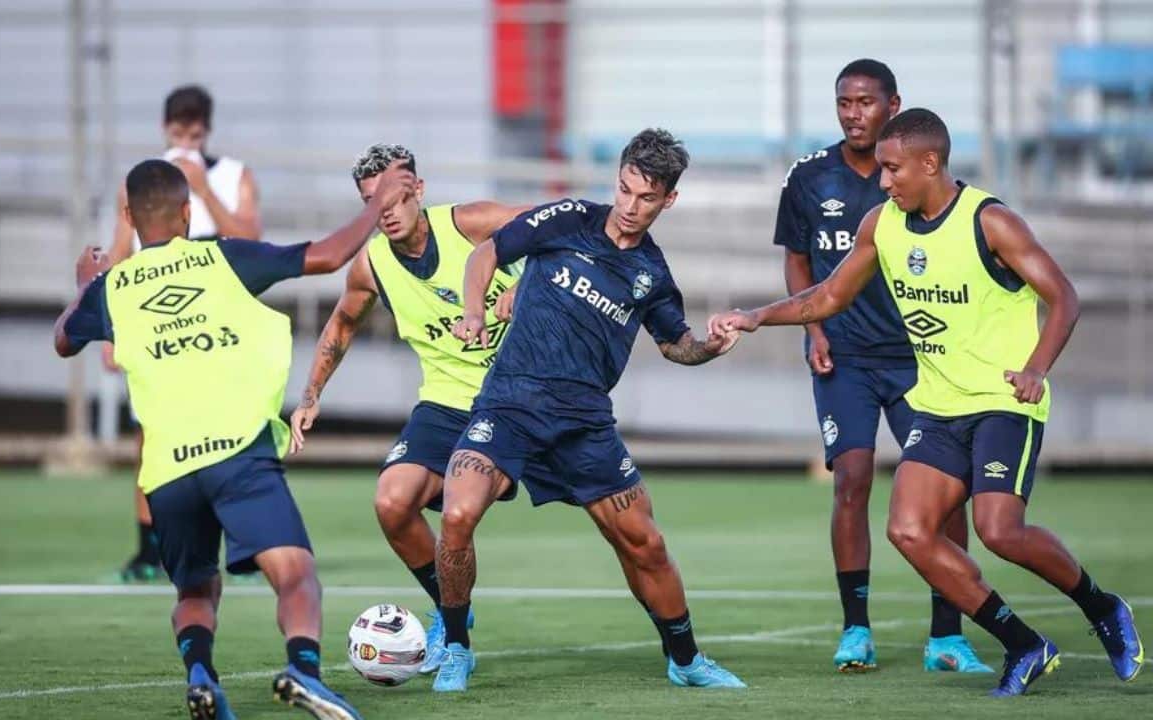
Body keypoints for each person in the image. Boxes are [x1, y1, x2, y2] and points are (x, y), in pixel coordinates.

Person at [710, 108, 1143, 697]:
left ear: (930, 163)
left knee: (998, 530)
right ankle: (1023, 642)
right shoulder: (881, 224)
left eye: (892, 171)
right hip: (938, 404)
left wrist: (1038, 368)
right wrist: (756, 316)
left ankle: (1102, 607)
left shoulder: (990, 222)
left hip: (1002, 401)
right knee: (909, 531)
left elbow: (1063, 297)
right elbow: (831, 293)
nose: (884, 182)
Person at [55, 157, 413, 719]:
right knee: (295, 575)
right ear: (187, 211)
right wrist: (378, 201)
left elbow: (63, 340)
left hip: (167, 471)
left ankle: (201, 676)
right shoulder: (221, 257)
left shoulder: (114, 288)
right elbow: (327, 255)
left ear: (128, 216)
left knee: (195, 592)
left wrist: (86, 284)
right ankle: (305, 671)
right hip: (237, 452)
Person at [431, 128, 746, 693]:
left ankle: (687, 659)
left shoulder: (653, 274)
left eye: (646, 197)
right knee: (456, 516)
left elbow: (676, 344)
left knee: (644, 543)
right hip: (511, 403)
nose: (630, 206)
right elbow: (487, 252)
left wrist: (711, 346)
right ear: (617, 179)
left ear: (668, 200)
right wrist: (475, 311)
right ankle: (455, 646)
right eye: (625, 189)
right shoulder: (568, 219)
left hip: (584, 422)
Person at [773, 59, 986, 672]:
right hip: (845, 359)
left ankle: (947, 635)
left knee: (946, 496)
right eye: (844, 102)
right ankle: (856, 629)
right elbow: (797, 259)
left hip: (921, 361)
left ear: (894, 105)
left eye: (865, 101)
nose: (853, 113)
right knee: (852, 478)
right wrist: (812, 327)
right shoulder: (809, 177)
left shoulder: (915, 175)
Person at [290, 143, 526, 672]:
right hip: (442, 403)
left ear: (418, 190)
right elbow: (343, 323)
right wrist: (311, 394)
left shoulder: (472, 223)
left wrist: (527, 284)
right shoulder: (371, 263)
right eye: (371, 203)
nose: (385, 212)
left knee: (623, 523)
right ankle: (451, 617)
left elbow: (558, 228)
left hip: (514, 399)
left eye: (393, 197)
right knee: (392, 502)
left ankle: (681, 648)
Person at [107, 85, 264, 582]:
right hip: (157, 324)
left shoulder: (233, 175)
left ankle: (246, 545)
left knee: (233, 433)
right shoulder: (142, 183)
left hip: (218, 326)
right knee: (151, 436)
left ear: (207, 132)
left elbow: (252, 242)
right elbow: (119, 256)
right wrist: (111, 333)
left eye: (194, 133)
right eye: (178, 132)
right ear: (164, 130)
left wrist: (204, 188)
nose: (186, 140)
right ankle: (149, 549)